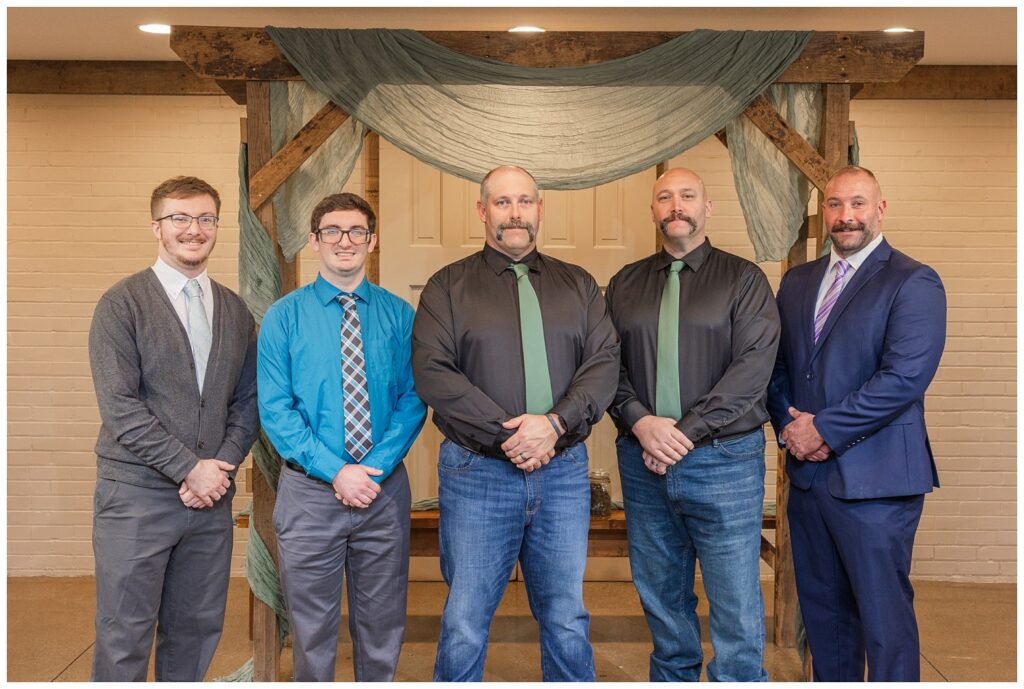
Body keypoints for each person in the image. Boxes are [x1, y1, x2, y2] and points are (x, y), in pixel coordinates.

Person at [412, 165, 619, 681]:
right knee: (465, 618)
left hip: (563, 473)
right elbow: (434, 373)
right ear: (483, 211)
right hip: (477, 474)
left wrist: (553, 424)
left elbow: (604, 364)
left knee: (566, 617)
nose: (514, 214)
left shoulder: (580, 286)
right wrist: (515, 435)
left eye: (524, 202)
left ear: (540, 209)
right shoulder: (447, 287)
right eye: (502, 203)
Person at [767, 166, 946, 681]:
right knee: (826, 620)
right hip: (809, 479)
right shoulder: (798, 282)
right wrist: (789, 425)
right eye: (836, 205)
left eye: (858, 204)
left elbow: (904, 378)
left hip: (878, 483)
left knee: (883, 622)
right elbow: (777, 369)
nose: (846, 217)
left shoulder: (913, 280)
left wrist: (822, 429)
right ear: (824, 211)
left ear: (881, 208)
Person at [605, 167, 779, 682]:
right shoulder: (625, 284)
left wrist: (678, 434)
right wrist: (640, 424)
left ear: (707, 209)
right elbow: (602, 367)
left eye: (687, 196)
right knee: (660, 591)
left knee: (735, 597)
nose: (675, 204)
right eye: (664, 196)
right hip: (643, 462)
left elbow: (752, 370)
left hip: (723, 459)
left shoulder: (744, 280)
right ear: (654, 210)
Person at [88, 176, 259, 681]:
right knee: (125, 633)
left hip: (210, 502)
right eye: (180, 218)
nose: (194, 229)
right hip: (136, 498)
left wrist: (219, 468)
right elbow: (120, 407)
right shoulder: (121, 304)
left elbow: (246, 403)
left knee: (197, 628)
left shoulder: (233, 309)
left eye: (206, 218)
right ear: (156, 227)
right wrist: (189, 468)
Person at [257, 192, 426, 681]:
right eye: (332, 231)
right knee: (312, 630)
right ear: (313, 241)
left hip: (381, 491)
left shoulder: (400, 316)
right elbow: (275, 409)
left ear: (372, 241)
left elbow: (414, 400)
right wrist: (338, 471)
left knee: (382, 626)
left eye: (356, 231)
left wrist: (368, 470)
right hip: (310, 495)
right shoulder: (283, 318)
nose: (344, 241)